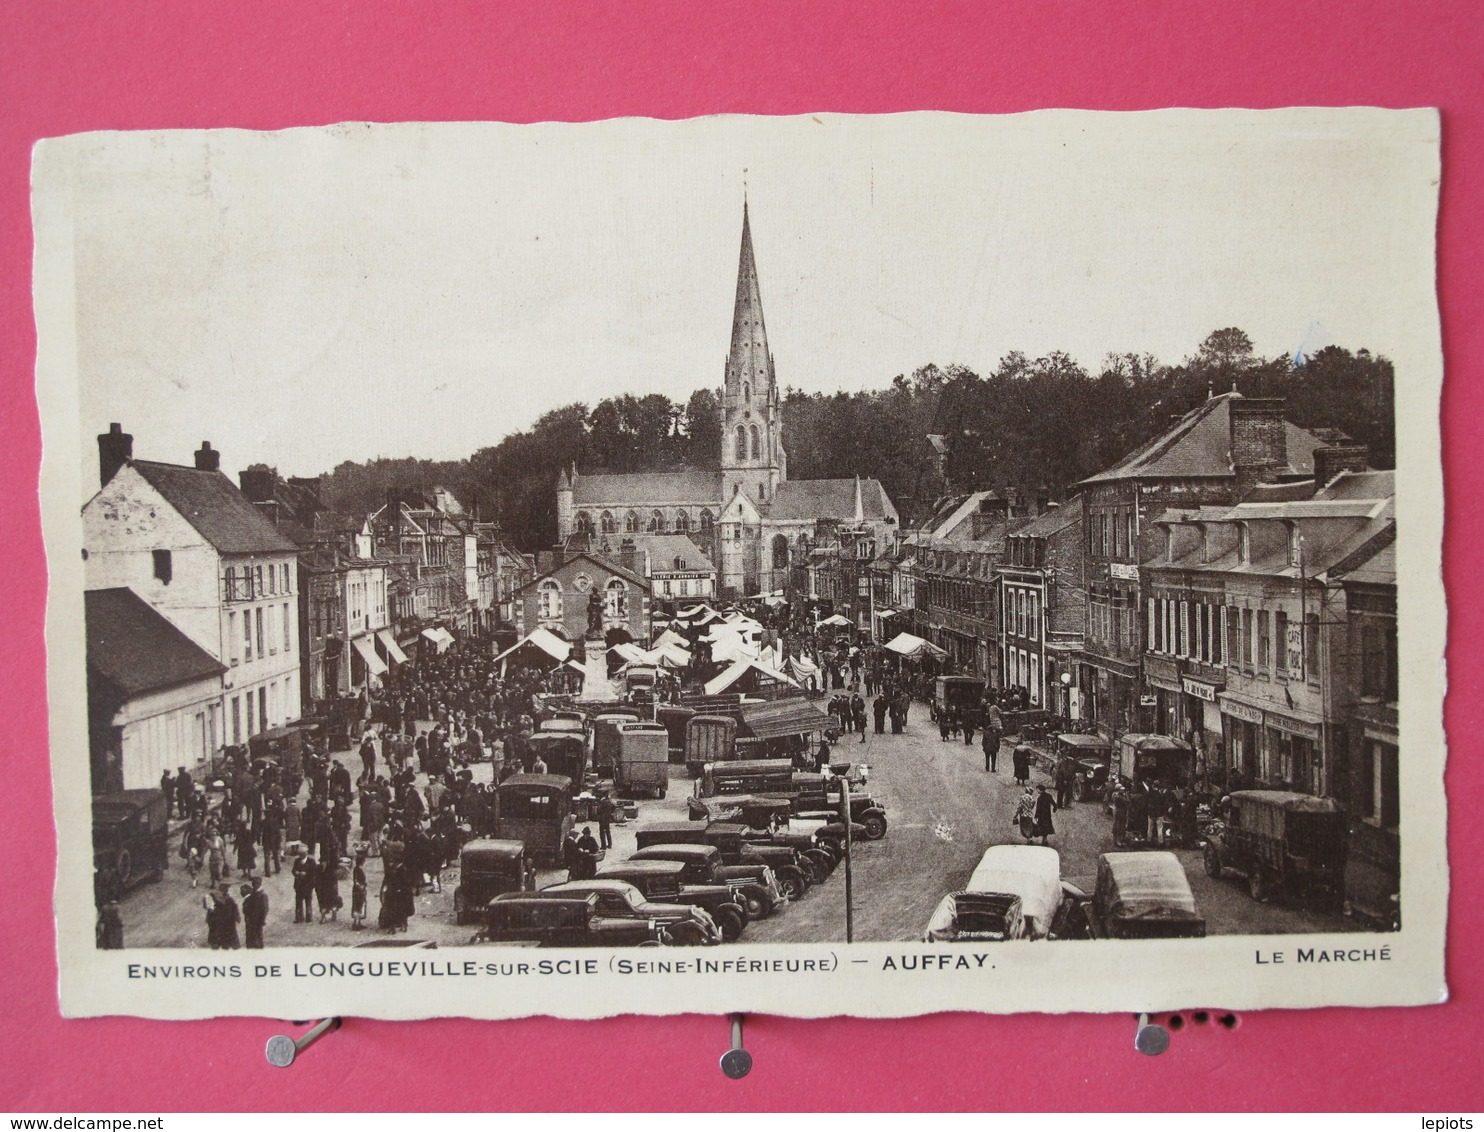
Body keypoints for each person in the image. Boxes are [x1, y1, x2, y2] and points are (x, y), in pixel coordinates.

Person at [317, 851, 342, 922]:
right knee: (322, 903)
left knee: (333, 902)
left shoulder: (330, 870)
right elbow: (317, 879)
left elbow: (334, 880)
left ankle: (334, 914)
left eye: (324, 862)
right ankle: (323, 917)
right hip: (322, 889)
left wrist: (334, 887)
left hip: (331, 889)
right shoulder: (318, 869)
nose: (322, 864)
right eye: (321, 862)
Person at [243, 877, 268, 949]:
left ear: (258, 884)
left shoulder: (263, 895)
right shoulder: (254, 893)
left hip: (257, 920)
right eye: (252, 884)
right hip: (250, 919)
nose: (253, 886)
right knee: (250, 937)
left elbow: (265, 909)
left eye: (254, 884)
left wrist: (262, 920)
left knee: (257, 937)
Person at [293, 854, 317, 924]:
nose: (301, 856)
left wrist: (306, 874)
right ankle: (299, 917)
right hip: (299, 884)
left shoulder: (311, 861)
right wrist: (296, 872)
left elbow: (314, 872)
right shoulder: (297, 861)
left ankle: (309, 917)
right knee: (298, 901)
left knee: (308, 900)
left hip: (308, 884)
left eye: (302, 854)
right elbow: (293, 870)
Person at [351, 851, 368, 929]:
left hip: (359, 889)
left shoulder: (357, 869)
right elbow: (356, 881)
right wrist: (361, 887)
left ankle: (358, 922)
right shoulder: (358, 870)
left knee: (359, 906)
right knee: (358, 906)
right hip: (358, 890)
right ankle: (356, 923)